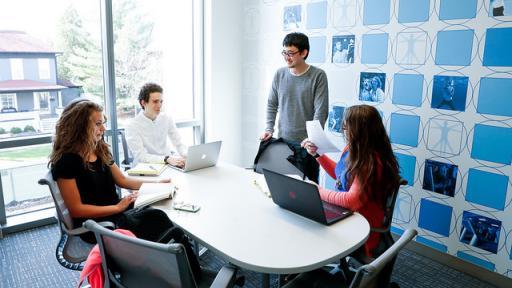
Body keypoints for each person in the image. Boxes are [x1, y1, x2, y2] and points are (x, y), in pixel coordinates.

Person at [49, 99, 201, 275]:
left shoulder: (99, 149)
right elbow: (76, 209)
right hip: (98, 225)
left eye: (103, 123)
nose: (103, 129)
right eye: (98, 124)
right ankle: (185, 273)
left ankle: (178, 270)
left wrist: (157, 184)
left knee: (161, 217)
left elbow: (122, 180)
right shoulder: (66, 161)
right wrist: (117, 206)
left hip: (116, 213)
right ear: (79, 126)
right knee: (168, 227)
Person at [301, 104, 400, 257]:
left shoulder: (370, 161)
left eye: (347, 127)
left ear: (361, 131)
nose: (344, 131)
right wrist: (317, 155)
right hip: (348, 214)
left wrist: (318, 191)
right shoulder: (354, 149)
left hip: (360, 224)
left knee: (308, 227)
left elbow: (352, 201)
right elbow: (340, 175)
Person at [260, 32, 329, 181]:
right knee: (282, 187)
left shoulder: (318, 76)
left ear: (304, 52)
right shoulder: (280, 74)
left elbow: (321, 110)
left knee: (308, 192)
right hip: (283, 142)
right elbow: (272, 104)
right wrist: (269, 129)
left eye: (291, 53)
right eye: (284, 52)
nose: (286, 57)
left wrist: (313, 139)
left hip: (307, 146)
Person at [126, 83, 187, 168]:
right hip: (146, 168)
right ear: (143, 102)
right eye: (155, 101)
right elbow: (140, 156)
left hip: (168, 165)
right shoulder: (132, 126)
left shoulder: (166, 118)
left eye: (161, 101)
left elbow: (178, 142)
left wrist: (186, 155)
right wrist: (166, 159)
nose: (159, 105)